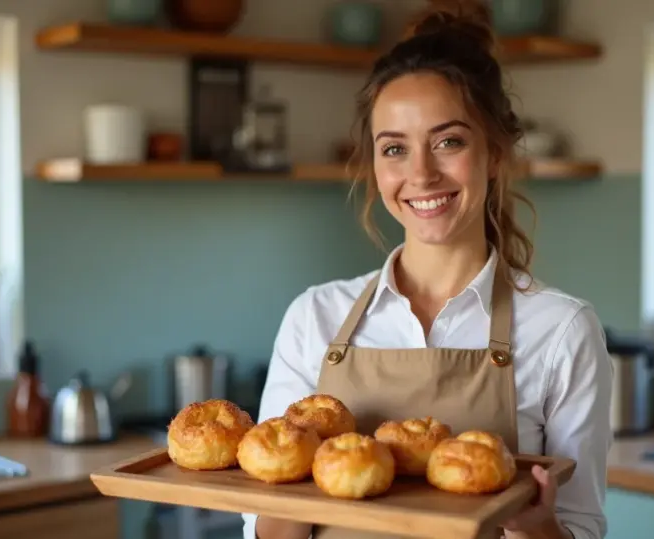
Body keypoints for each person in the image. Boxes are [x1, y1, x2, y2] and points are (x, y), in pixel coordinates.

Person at [241, 1, 613, 537]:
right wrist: (293, 476)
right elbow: (264, 532)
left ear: (494, 155)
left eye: (448, 142)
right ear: (375, 165)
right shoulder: (315, 317)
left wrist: (534, 528)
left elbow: (579, 526)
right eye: (395, 148)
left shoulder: (561, 330)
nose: (421, 173)